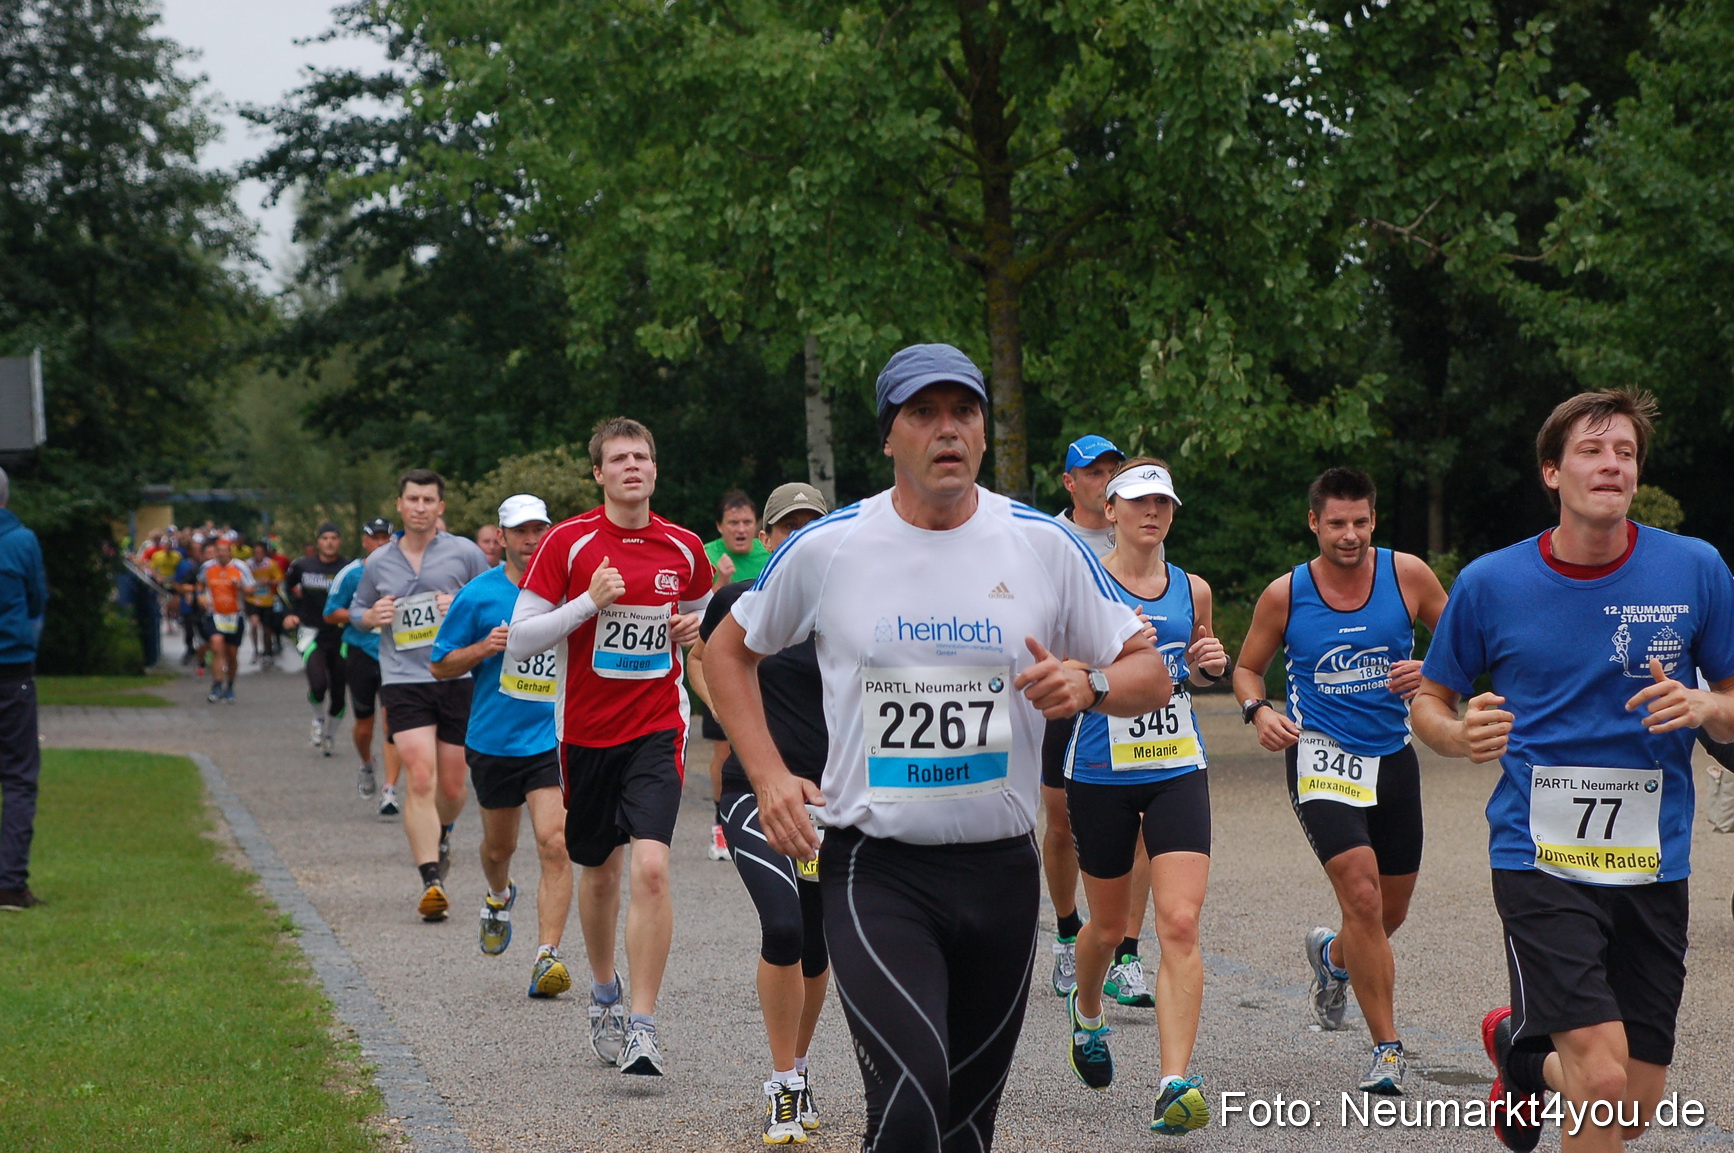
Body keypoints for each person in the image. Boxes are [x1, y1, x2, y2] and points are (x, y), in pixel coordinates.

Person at [704, 343, 1167, 1153]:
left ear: (985, 431)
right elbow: (725, 652)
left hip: (999, 873)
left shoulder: (1041, 544)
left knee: (965, 1130)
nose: (947, 430)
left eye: (965, 411)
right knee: (914, 1098)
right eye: (924, 413)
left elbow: (1151, 671)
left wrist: (1088, 685)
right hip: (876, 868)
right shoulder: (830, 546)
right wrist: (770, 774)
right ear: (890, 436)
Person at [1410, 390, 1734, 1153]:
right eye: (1592, 450)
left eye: (1625, 452)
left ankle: (1523, 1055)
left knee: (1632, 1104)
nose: (1612, 464)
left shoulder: (1696, 568)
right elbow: (1429, 697)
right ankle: (1546, 1058)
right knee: (1602, 1076)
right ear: (1552, 471)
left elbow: (1730, 699)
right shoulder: (1492, 583)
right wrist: (1458, 734)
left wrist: (1702, 704)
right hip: (1539, 855)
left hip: (1656, 861)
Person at [1231, 467, 1449, 1095]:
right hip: (1320, 758)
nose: (1348, 535)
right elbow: (1248, 668)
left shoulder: (1408, 575)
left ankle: (1332, 960)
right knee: (1363, 898)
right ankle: (1387, 1050)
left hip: (1393, 758)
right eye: (1336, 524)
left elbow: (1468, 642)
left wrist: (1430, 668)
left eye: (1359, 522)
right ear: (1314, 523)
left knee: (1389, 912)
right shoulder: (1286, 594)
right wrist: (1259, 710)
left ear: (1373, 520)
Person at [507, 417, 713, 1077]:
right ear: (599, 472)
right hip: (586, 735)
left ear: (655, 468)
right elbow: (521, 638)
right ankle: (604, 992)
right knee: (599, 872)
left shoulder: (683, 547)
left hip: (657, 726)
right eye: (619, 457)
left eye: (642, 455)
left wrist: (692, 626)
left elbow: (704, 616)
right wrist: (586, 605)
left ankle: (644, 1027)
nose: (633, 465)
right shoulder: (567, 543)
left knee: (651, 867)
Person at [1059, 458, 1225, 1134]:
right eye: (1138, 501)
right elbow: (1058, 670)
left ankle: (1172, 1081)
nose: (1152, 513)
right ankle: (1088, 1011)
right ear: (1110, 508)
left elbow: (1201, 656)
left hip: (1177, 762)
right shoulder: (1082, 586)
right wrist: (1111, 666)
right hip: (1100, 767)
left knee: (1179, 922)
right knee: (1103, 927)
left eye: (1163, 503)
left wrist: (1209, 662)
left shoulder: (1192, 586)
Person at [690, 481, 831, 1144]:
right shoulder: (738, 602)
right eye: (789, 526)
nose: (801, 536)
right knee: (783, 928)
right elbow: (701, 659)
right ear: (769, 538)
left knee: (817, 941)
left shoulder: (851, 608)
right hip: (754, 794)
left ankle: (801, 1068)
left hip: (830, 804)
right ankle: (782, 1083)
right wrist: (733, 722)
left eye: (813, 524)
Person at [432, 495, 575, 998]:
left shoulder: (568, 590)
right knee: (500, 847)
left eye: (539, 529)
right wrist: (482, 648)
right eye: (520, 531)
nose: (531, 539)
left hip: (551, 738)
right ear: (503, 537)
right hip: (493, 740)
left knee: (555, 842)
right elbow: (440, 664)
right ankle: (498, 896)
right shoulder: (479, 594)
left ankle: (547, 957)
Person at [352, 472, 491, 921]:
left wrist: (463, 606)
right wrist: (372, 615)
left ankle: (443, 832)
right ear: (399, 504)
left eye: (428, 499)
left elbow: (495, 600)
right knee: (419, 772)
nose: (420, 507)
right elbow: (356, 610)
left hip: (455, 677)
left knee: (452, 786)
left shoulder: (465, 552)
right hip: (402, 678)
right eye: (412, 499)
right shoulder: (378, 562)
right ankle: (431, 879)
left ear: (440, 507)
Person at [1041, 434, 1129, 999]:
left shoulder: (1141, 529)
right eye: (1093, 473)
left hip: (1124, 694)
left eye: (1112, 470)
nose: (1105, 481)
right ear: (1070, 483)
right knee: (1062, 822)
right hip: (1068, 694)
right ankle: (1069, 931)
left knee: (1138, 825)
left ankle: (1126, 951)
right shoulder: (1049, 540)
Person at [699, 490, 773, 861]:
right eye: (733, 523)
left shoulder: (771, 553)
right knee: (725, 746)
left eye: (747, 522)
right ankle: (720, 825)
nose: (741, 530)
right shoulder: (708, 556)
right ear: (719, 527)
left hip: (763, 666)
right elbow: (696, 616)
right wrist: (718, 581)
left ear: (758, 527)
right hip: (717, 660)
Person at [325, 517, 400, 807]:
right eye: (375, 538)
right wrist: (363, 615)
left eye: (386, 537)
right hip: (361, 653)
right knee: (365, 725)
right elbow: (331, 613)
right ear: (365, 540)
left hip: (395, 655)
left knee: (392, 723)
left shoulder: (405, 571)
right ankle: (367, 763)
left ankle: (389, 789)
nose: (381, 543)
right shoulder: (351, 574)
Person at [0, 467, 48, 911]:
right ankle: (10, 883)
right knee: (17, 775)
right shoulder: (21, 541)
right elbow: (37, 598)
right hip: (11, 668)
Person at [283, 523, 350, 756]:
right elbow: (285, 589)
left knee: (339, 693)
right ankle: (318, 719)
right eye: (325, 538)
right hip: (313, 633)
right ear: (317, 542)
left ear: (340, 541)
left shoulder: (348, 568)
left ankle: (330, 735)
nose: (330, 542)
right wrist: (291, 613)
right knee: (318, 683)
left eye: (334, 537)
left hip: (342, 636)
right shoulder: (303, 566)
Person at [197, 535, 254, 703]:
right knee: (216, 644)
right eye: (218, 551)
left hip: (235, 615)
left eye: (224, 551)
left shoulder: (240, 567)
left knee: (232, 654)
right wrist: (200, 596)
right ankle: (216, 684)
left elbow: (251, 590)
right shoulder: (207, 567)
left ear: (230, 552)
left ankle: (229, 686)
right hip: (214, 614)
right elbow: (199, 584)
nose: (221, 554)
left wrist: (240, 586)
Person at [246, 541, 284, 666]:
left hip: (268, 601)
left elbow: (279, 578)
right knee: (254, 623)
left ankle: (267, 652)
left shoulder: (270, 564)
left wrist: (269, 580)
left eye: (260, 552)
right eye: (255, 552)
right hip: (252, 600)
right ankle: (256, 650)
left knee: (267, 629)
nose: (258, 555)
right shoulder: (248, 565)